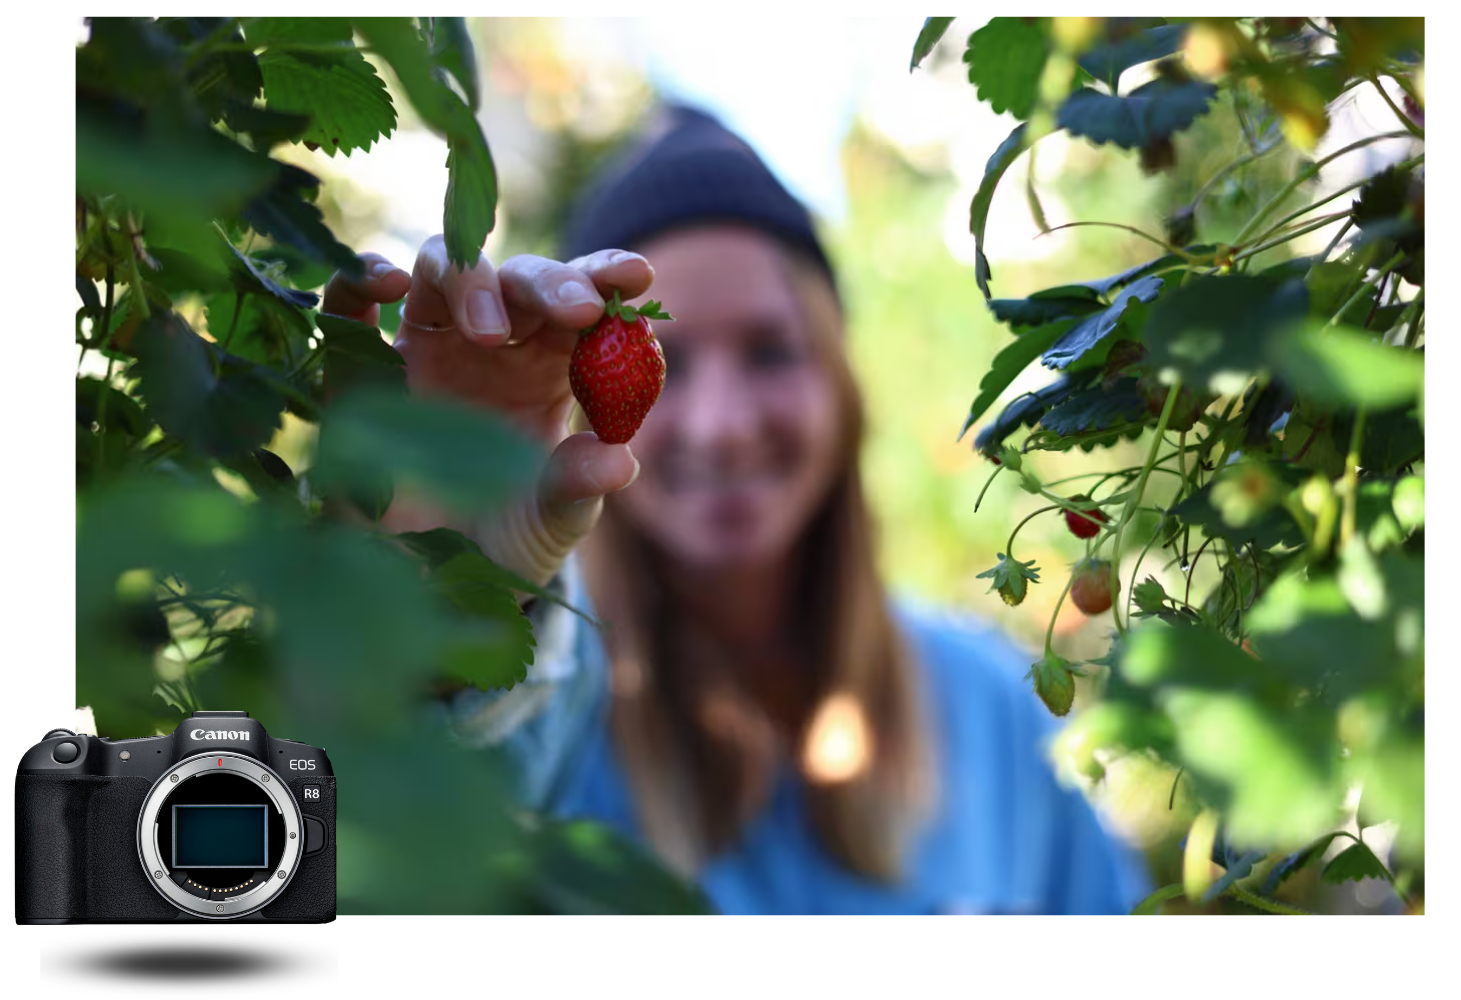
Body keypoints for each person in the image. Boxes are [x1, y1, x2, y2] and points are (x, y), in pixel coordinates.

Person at [323, 104, 1150, 914]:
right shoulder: (539, 713)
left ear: (841, 385)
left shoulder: (992, 706)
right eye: (668, 360)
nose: (722, 427)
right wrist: (435, 646)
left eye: (769, 350)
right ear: (573, 400)